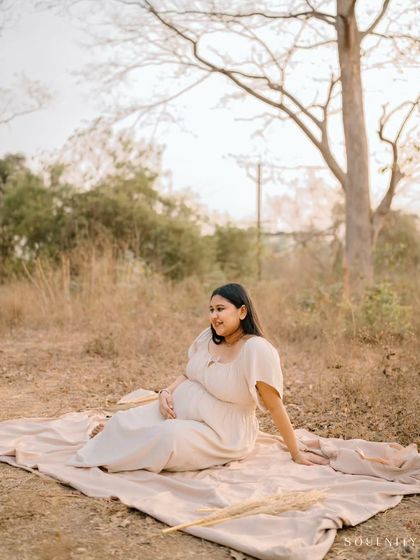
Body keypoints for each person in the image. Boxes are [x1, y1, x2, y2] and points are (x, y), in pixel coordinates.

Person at [68, 283, 327, 472]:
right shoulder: (208, 338)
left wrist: (295, 452)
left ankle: (116, 448)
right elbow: (187, 373)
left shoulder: (256, 350)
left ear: (242, 312)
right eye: (211, 309)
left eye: (221, 309)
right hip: (179, 410)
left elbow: (275, 406)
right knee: (124, 420)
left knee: (167, 437)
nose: (214, 316)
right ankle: (118, 438)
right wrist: (166, 392)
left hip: (222, 433)